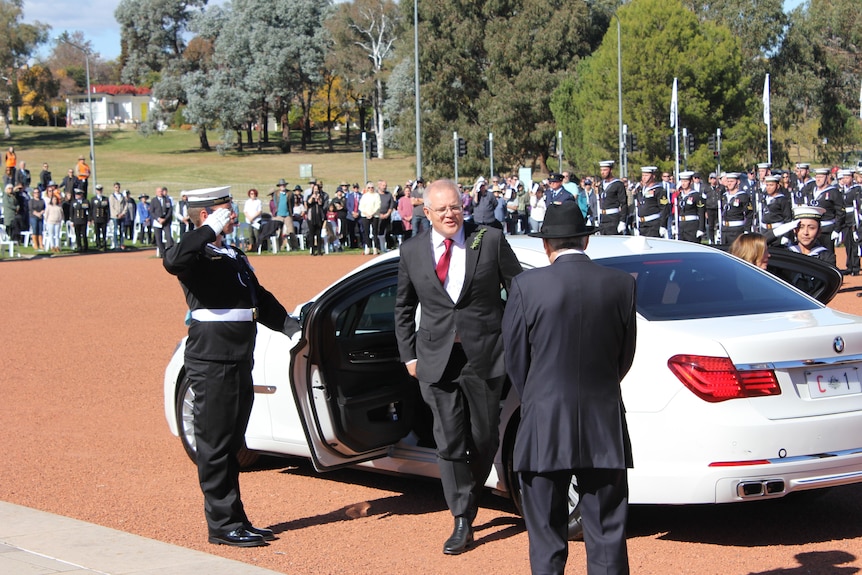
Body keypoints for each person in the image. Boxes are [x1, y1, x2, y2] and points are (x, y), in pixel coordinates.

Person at [502, 201, 636, 575]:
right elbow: (623, 358)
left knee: (546, 536)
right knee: (607, 533)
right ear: (586, 241)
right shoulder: (621, 285)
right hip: (603, 422)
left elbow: (516, 360)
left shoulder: (526, 286)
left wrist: (539, 398)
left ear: (547, 246)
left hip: (543, 421)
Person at [163, 185, 300, 548]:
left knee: (233, 440)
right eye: (226, 209)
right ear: (206, 215)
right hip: (212, 358)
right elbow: (172, 260)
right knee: (215, 443)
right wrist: (207, 230)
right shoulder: (196, 252)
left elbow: (257, 297)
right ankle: (222, 524)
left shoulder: (231, 253)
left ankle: (236, 518)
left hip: (239, 355)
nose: (234, 214)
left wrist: (290, 327)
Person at [394, 179, 522, 555]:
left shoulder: (490, 240)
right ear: (427, 213)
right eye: (442, 209)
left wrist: (516, 341)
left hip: (484, 356)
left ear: (462, 207)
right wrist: (409, 357)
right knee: (449, 441)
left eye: (455, 207)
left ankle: (471, 493)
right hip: (434, 361)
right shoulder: (412, 251)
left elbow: (519, 291)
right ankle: (462, 518)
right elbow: (402, 307)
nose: (450, 214)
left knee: (485, 438)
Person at [634, 166, 669, 237]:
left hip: (653, 224)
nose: (644, 177)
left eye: (646, 175)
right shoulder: (640, 190)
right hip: (642, 224)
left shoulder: (659, 190)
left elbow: (664, 208)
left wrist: (663, 225)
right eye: (643, 175)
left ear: (653, 176)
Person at [719, 172, 752, 246]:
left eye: (732, 181)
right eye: (728, 181)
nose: (729, 184)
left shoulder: (743, 196)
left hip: (737, 230)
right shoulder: (724, 196)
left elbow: (749, 214)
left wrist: (747, 230)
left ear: (738, 182)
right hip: (725, 230)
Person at [597, 160, 628, 235]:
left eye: (605, 170)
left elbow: (623, 203)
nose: (602, 172)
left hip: (613, 218)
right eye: (601, 170)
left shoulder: (618, 184)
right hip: (603, 218)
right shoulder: (601, 185)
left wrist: (622, 221)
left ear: (611, 170)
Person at [675, 171, 705, 242]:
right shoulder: (680, 196)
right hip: (682, 226)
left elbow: (701, 212)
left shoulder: (696, 195)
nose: (683, 183)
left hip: (692, 226)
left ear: (691, 182)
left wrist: (701, 228)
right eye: (682, 181)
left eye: (685, 181)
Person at [151, 186, 174, 257]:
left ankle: (170, 253)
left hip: (166, 221)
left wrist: (165, 219)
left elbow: (170, 211)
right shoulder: (153, 200)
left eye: (161, 191)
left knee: (169, 237)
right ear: (156, 192)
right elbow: (152, 212)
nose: (160, 193)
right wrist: (158, 219)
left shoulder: (167, 200)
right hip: (157, 222)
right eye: (159, 192)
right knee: (158, 238)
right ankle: (162, 253)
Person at [358, 181, 380, 255]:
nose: (370, 189)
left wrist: (372, 213)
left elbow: (378, 205)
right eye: (369, 187)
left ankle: (375, 248)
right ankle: (367, 247)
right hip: (365, 215)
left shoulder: (376, 195)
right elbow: (361, 206)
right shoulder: (364, 196)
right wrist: (366, 214)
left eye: (372, 187)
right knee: (366, 232)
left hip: (375, 216)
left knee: (374, 232)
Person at [90, 184, 110, 250]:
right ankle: (98, 244)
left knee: (104, 232)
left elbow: (107, 209)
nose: (99, 191)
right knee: (97, 232)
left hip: (103, 218)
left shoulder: (105, 199)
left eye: (100, 190)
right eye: (98, 190)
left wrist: (108, 218)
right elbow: (91, 209)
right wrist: (91, 218)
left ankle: (104, 244)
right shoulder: (93, 199)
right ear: (96, 191)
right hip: (96, 218)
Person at [109, 182, 127, 250]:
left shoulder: (122, 196)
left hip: (122, 215)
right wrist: (117, 214)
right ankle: (116, 244)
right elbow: (112, 206)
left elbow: (125, 205)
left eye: (118, 187)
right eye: (116, 187)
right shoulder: (112, 196)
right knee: (115, 230)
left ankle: (121, 243)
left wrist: (122, 213)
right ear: (114, 188)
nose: (117, 189)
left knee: (122, 230)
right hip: (115, 216)